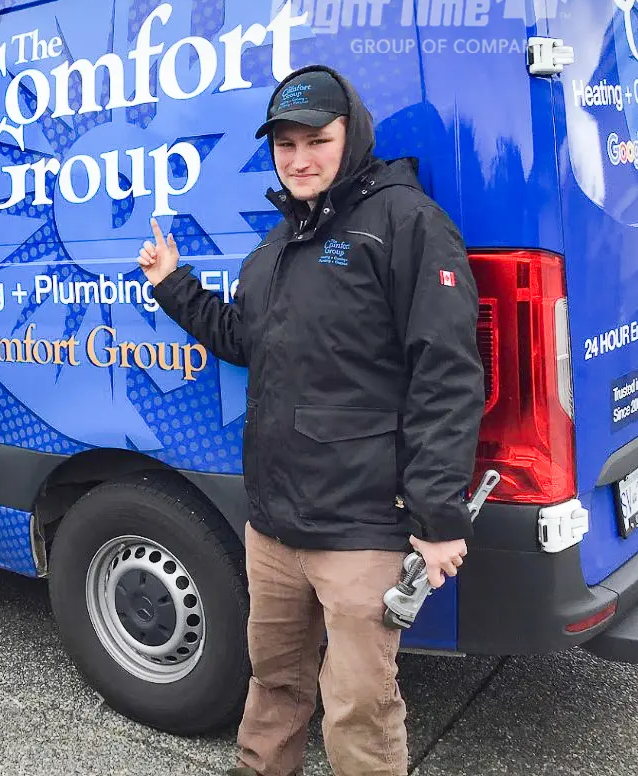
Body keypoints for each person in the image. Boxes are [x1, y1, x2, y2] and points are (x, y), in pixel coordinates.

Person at [137, 66, 484, 776]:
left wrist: (438, 515)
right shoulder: (274, 248)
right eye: (285, 144)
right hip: (272, 525)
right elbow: (242, 340)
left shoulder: (404, 222)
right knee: (273, 681)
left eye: (316, 141)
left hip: (359, 526)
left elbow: (446, 374)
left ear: (351, 136)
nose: (298, 160)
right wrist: (172, 284)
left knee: (358, 705)